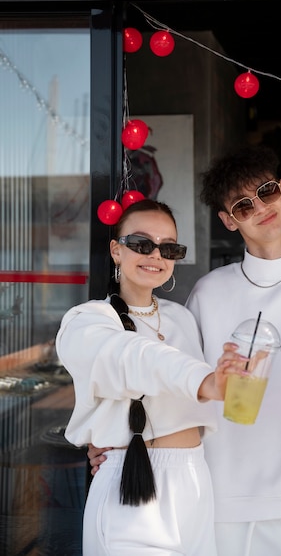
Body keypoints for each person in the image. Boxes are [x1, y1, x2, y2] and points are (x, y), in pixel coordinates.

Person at [89, 146, 281, 556]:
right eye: (243, 204)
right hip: (226, 501)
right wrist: (116, 439)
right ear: (228, 220)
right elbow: (171, 378)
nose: (260, 207)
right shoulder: (209, 291)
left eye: (267, 191)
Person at [56, 198, 244, 556]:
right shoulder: (88, 319)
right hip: (132, 484)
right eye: (141, 244)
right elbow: (131, 358)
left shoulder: (183, 318)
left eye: (168, 248)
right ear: (116, 250)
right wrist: (204, 381)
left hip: (195, 478)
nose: (155, 255)